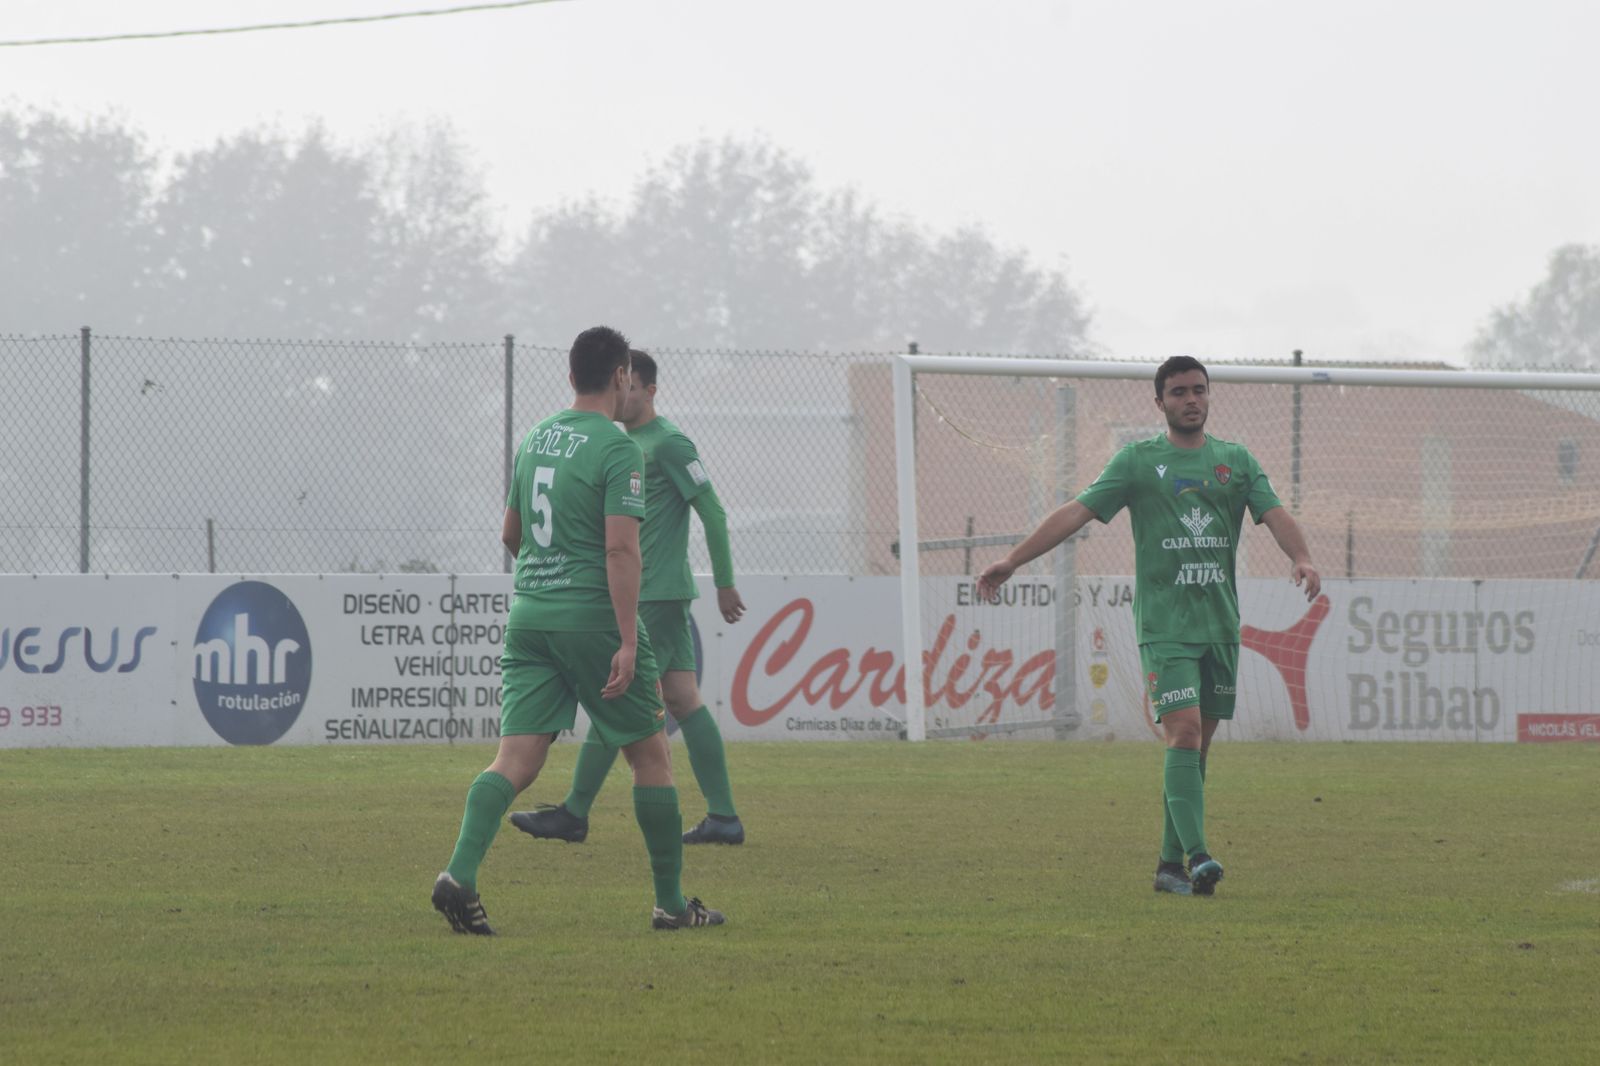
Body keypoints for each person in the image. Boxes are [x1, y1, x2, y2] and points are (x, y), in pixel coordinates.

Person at [976, 355, 1320, 897]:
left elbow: (1274, 512)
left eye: (1198, 390)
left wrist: (1300, 556)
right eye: (1179, 391)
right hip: (1165, 626)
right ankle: (1199, 854)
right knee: (1181, 732)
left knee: (1194, 751)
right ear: (1159, 402)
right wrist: (1014, 560)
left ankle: (1167, 866)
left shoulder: (1236, 461)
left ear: (1209, 397)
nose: (1190, 399)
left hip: (1220, 626)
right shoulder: (1138, 462)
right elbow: (1076, 511)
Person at [431, 327, 725, 934]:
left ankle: (459, 872)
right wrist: (624, 638)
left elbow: (511, 536)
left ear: (570, 377)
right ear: (621, 376)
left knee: (515, 757)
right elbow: (621, 549)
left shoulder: (537, 438)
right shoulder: (619, 450)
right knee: (651, 755)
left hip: (529, 617)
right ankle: (670, 904)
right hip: (590, 618)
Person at [510, 349, 749, 846]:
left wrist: (724, 581)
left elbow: (714, 512)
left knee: (613, 694)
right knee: (683, 699)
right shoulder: (619, 444)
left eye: (633, 387)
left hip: (654, 593)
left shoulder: (668, 444)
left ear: (649, 391)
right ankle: (724, 817)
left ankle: (574, 811)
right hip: (653, 592)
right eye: (623, 385)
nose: (624, 395)